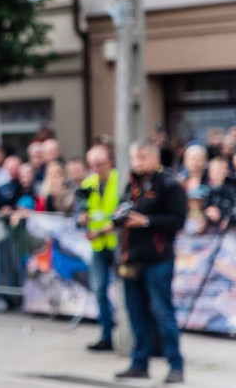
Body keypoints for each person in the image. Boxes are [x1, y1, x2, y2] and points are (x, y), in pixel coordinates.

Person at [114, 141, 186, 384]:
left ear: (155, 159)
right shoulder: (131, 185)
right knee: (137, 315)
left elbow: (177, 220)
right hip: (132, 260)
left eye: (142, 157)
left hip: (158, 260)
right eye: (135, 157)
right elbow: (124, 214)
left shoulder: (169, 185)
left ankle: (175, 365)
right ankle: (139, 364)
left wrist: (145, 221)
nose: (138, 162)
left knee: (163, 314)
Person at [76, 143, 119, 352]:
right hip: (98, 245)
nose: (97, 168)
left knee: (128, 293)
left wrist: (101, 230)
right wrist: (82, 218)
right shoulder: (88, 183)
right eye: (93, 165)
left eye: (100, 164)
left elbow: (123, 215)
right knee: (99, 290)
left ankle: (134, 335)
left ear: (109, 162)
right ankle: (106, 335)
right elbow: (81, 212)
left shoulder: (120, 180)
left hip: (118, 243)